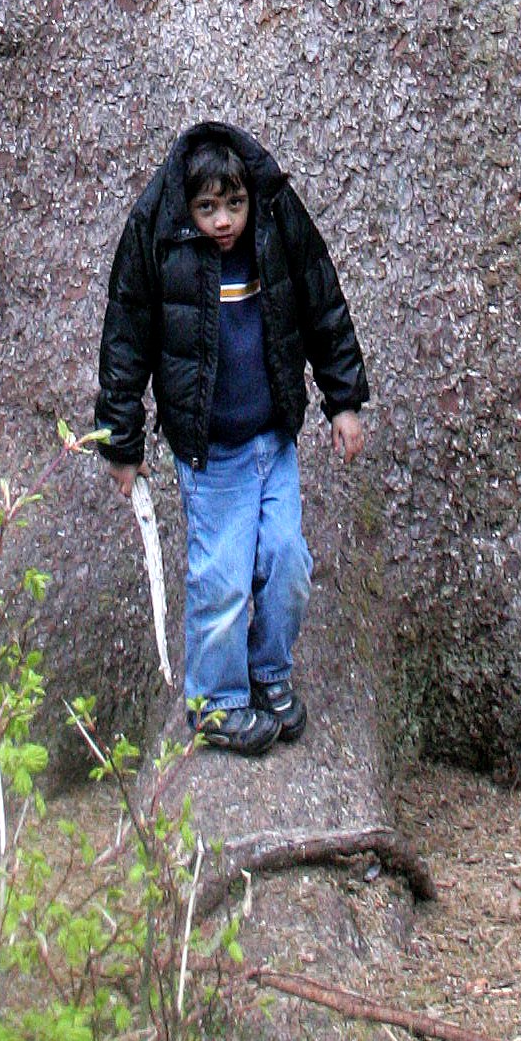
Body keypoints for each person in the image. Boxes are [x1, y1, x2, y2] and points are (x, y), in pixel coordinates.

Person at [95, 120, 369, 753]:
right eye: (208, 208)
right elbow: (125, 337)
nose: (224, 221)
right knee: (219, 578)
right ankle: (217, 700)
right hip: (210, 451)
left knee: (287, 564)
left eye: (234, 205)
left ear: (250, 195)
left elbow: (323, 304)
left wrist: (343, 402)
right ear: (188, 208)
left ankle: (269, 674)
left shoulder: (277, 220)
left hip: (274, 442)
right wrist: (122, 442)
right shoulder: (156, 236)